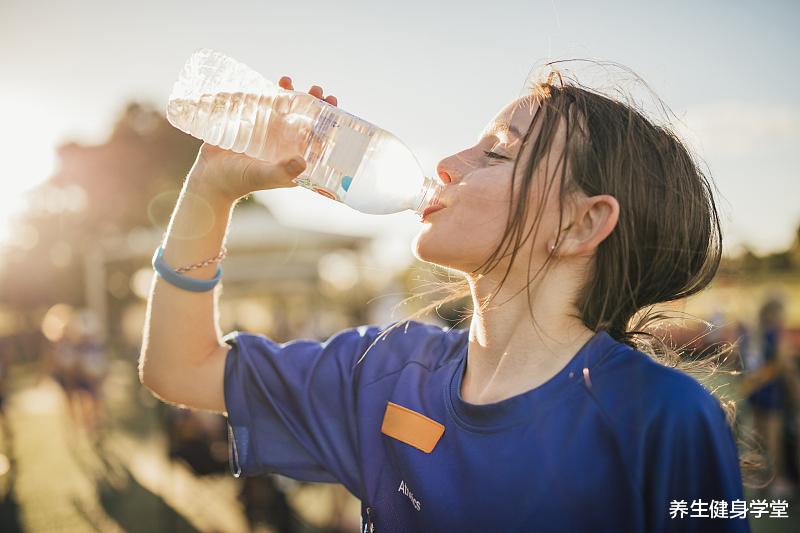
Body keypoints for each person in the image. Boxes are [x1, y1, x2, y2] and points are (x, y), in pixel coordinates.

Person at [139, 69, 750, 532]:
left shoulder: (662, 417)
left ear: (579, 225)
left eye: (497, 151)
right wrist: (210, 191)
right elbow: (180, 368)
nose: (446, 165)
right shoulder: (387, 371)